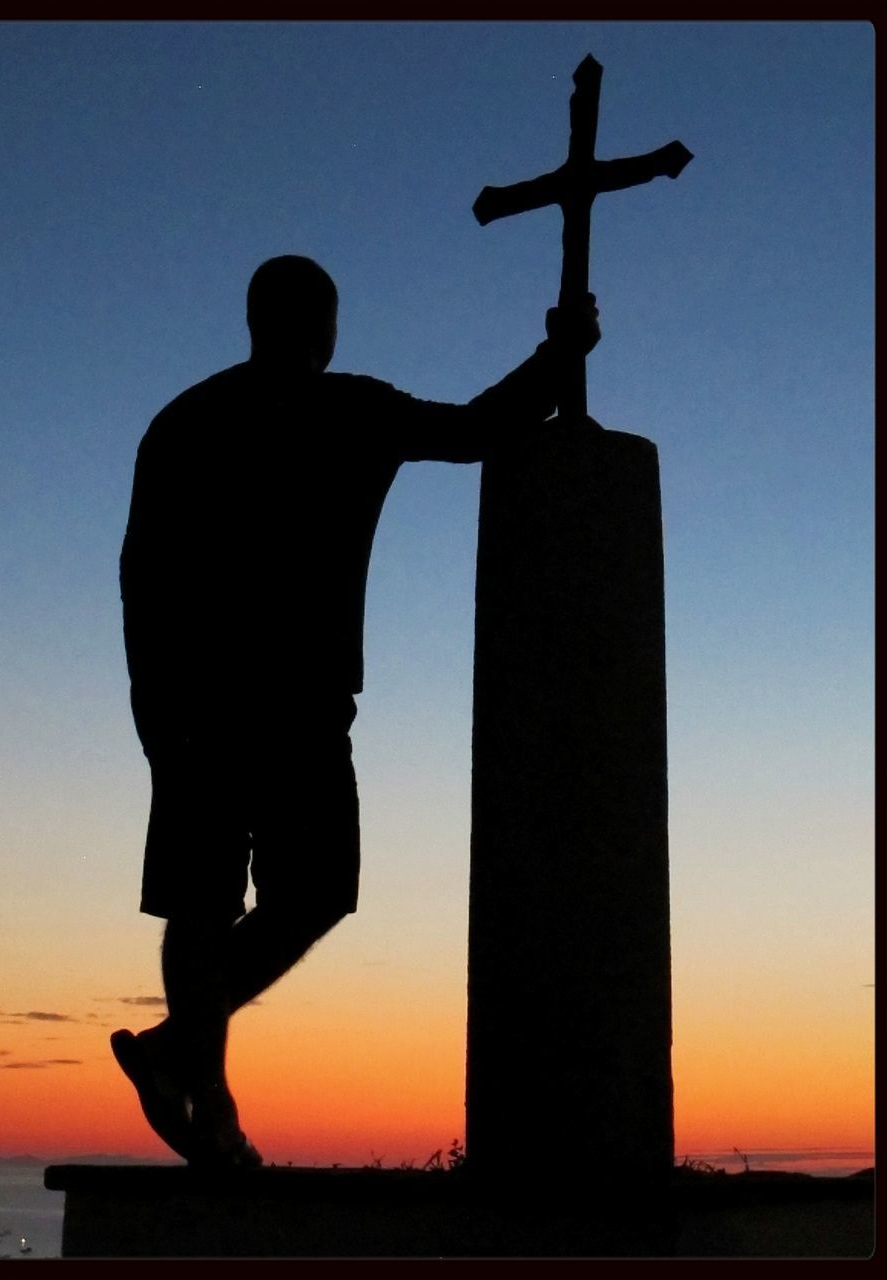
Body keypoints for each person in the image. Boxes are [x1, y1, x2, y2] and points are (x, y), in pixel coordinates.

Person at [112, 255, 600, 1166]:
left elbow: (139, 575)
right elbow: (480, 429)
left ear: (253, 319)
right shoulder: (352, 408)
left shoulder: (184, 421)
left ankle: (188, 1069)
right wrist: (559, 353)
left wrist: (152, 705)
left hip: (197, 707)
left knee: (206, 901)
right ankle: (197, 1086)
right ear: (326, 327)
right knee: (301, 893)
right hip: (289, 705)